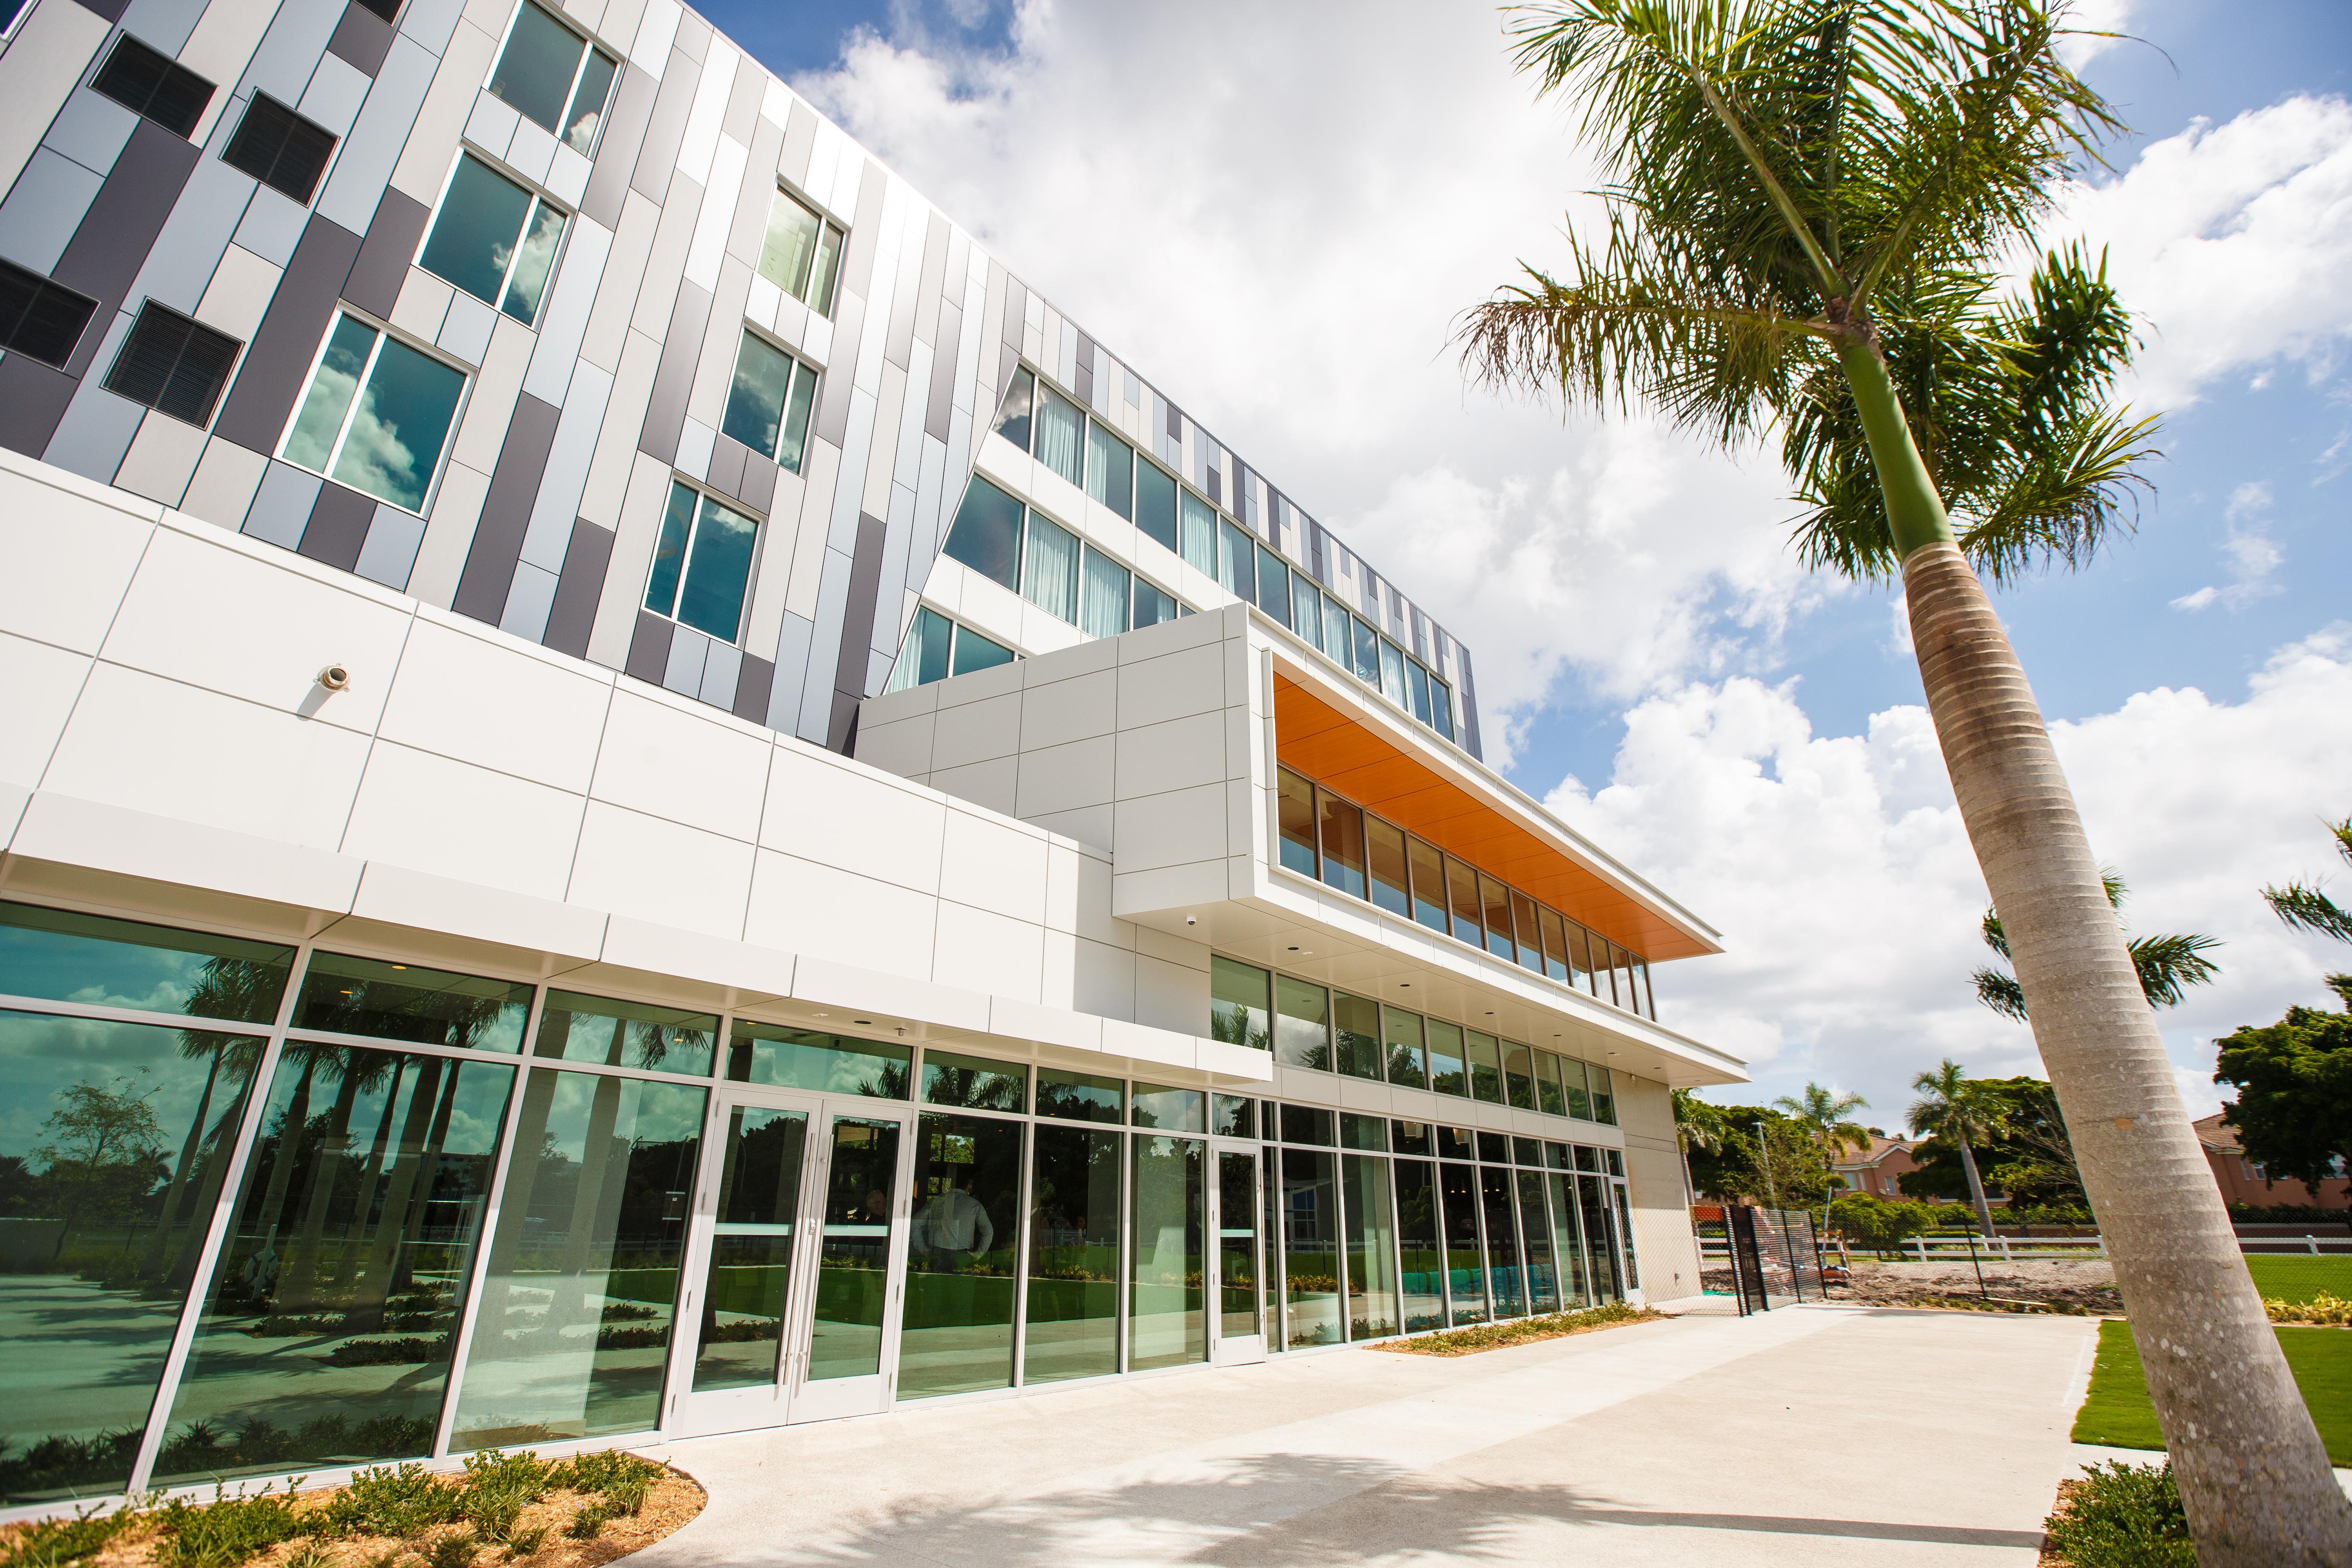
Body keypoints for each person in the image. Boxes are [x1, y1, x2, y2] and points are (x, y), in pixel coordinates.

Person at [912, 1174, 993, 1267]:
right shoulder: (975, 1205)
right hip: (962, 1256)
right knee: (960, 1281)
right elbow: (988, 1231)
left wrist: (923, 1248)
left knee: (933, 1280)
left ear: (951, 1184)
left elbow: (915, 1223)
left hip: (937, 1253)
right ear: (968, 1186)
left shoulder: (936, 1201)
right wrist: (978, 1254)